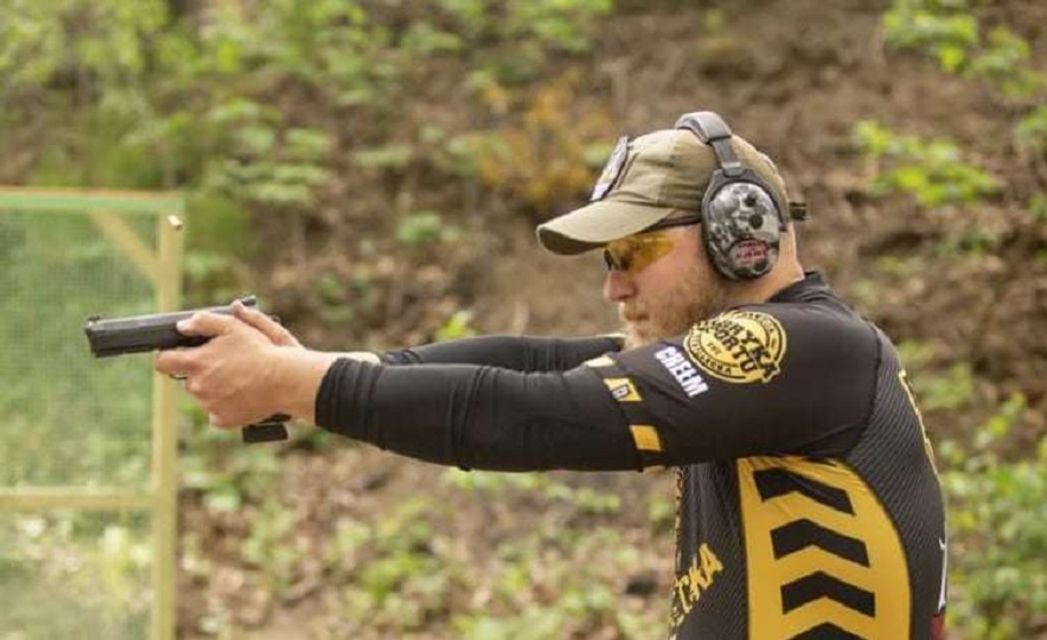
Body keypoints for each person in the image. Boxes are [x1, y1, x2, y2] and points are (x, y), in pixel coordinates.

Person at [156, 112, 948, 639]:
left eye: (634, 251)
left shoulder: (799, 348)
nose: (614, 284)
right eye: (610, 259)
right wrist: (314, 373)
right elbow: (527, 359)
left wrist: (299, 384)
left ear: (742, 234)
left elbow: (537, 412)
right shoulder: (787, 359)